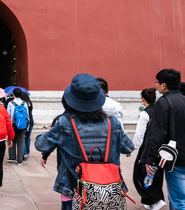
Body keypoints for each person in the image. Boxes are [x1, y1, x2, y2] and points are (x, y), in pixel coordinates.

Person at [35, 73, 134, 209]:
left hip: (74, 188)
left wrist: (49, 132)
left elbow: (41, 145)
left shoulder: (65, 123)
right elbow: (128, 147)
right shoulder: (113, 123)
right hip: (109, 189)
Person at [144, 69, 185, 209]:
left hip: (175, 157)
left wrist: (150, 158)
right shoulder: (183, 99)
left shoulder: (163, 102)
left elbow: (157, 133)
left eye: (157, 82)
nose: (155, 85)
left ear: (163, 85)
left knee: (178, 200)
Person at [132, 88, 165, 210]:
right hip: (159, 149)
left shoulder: (144, 114)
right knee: (156, 175)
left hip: (146, 150)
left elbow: (139, 135)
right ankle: (152, 201)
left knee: (138, 176)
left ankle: (156, 200)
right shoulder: (159, 111)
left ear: (142, 99)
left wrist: (132, 148)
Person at [7, 87, 29, 165]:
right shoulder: (24, 103)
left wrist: (8, 126)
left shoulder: (10, 103)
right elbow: (27, 116)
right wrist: (27, 126)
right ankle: (20, 160)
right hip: (23, 124)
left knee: (12, 140)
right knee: (21, 141)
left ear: (13, 94)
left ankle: (12, 157)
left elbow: (8, 115)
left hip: (13, 124)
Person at [21, 91, 34, 160]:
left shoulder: (24, 104)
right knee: (28, 137)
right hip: (31, 121)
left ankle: (25, 153)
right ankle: (27, 152)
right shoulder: (30, 103)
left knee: (23, 137)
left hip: (25, 121)